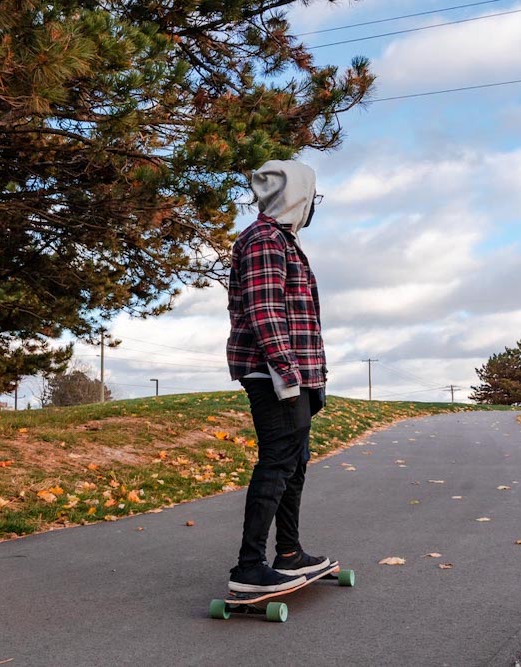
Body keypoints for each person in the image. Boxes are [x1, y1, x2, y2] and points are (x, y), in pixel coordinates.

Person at [225, 159, 329, 593]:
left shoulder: (285, 241)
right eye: (312, 196)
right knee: (277, 463)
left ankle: (288, 552)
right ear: (297, 196)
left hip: (292, 373)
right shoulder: (265, 240)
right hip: (273, 374)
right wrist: (287, 374)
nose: (313, 205)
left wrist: (312, 380)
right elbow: (265, 311)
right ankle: (249, 568)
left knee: (294, 463)